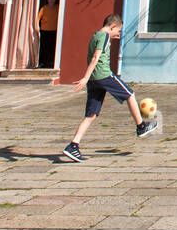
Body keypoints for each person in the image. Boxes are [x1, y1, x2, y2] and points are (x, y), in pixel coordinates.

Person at [62, 14, 157, 162]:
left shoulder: (96, 35)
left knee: (91, 115)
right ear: (112, 26)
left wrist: (89, 78)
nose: (118, 34)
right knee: (130, 94)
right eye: (117, 31)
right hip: (103, 75)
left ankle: (73, 146)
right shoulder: (105, 36)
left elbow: (98, 48)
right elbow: (95, 57)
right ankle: (141, 126)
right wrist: (85, 76)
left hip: (94, 80)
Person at [37, 0, 59, 68]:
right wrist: (36, 27)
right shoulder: (44, 8)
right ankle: (43, 62)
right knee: (44, 48)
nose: (52, 1)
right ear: (48, 0)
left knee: (53, 47)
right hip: (45, 30)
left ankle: (51, 62)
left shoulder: (57, 7)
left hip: (54, 30)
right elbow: (38, 19)